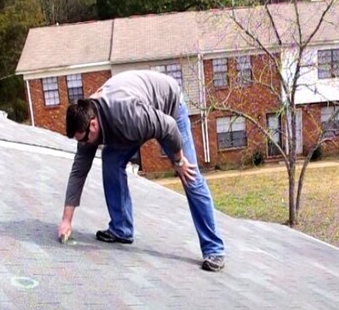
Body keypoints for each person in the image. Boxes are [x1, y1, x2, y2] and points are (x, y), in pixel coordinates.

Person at [57, 70, 225, 272]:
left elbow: (168, 126)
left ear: (93, 124)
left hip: (169, 108)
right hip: (139, 111)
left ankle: (214, 249)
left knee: (190, 176)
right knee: (110, 159)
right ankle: (121, 229)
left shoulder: (126, 114)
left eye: (84, 139)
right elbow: (79, 171)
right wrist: (66, 220)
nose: (83, 144)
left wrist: (179, 161)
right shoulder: (87, 119)